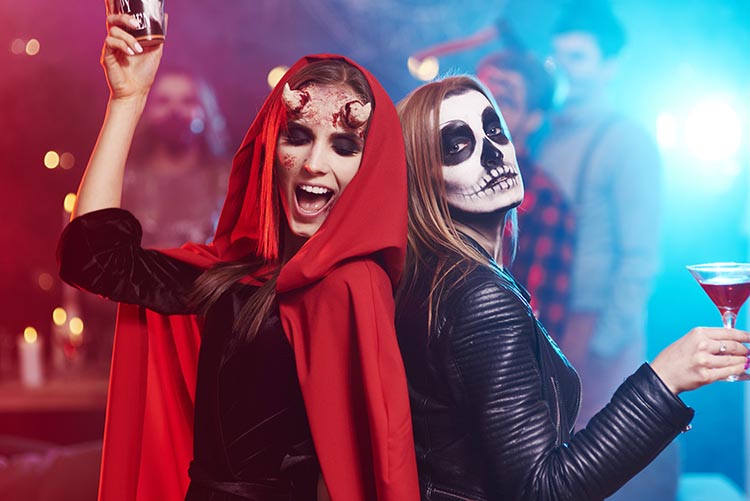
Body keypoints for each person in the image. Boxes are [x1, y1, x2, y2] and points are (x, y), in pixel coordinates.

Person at [57, 8, 419, 501]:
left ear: (371, 165)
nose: (314, 164)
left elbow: (365, 468)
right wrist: (128, 99)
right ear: (272, 149)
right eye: (298, 137)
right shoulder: (231, 277)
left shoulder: (357, 287)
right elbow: (92, 257)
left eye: (343, 146)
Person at [394, 75, 750, 500]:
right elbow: (544, 491)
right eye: (457, 146)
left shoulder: (436, 277)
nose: (493, 154)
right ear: (422, 175)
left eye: (494, 130)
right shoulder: (479, 297)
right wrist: (665, 377)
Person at [536, 1, 662, 431]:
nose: (564, 68)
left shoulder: (627, 140)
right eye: (558, 56)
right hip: (549, 321)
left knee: (602, 466)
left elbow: (640, 257)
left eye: (578, 58)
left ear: (611, 66)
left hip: (596, 329)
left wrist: (604, 345)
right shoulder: (545, 134)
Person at [477, 49, 575, 342]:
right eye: (480, 95)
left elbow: (539, 332)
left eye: (504, 101)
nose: (486, 110)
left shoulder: (545, 202)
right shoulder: (434, 176)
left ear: (533, 120)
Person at [122, 67, 230, 248]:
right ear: (147, 110)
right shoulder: (125, 181)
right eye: (163, 101)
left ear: (206, 110)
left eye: (187, 101)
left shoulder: (229, 180)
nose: (175, 111)